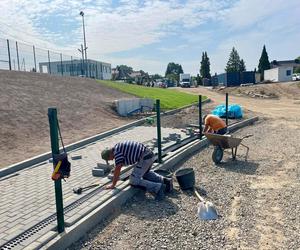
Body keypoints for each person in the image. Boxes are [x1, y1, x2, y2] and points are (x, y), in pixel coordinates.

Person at [101, 140, 172, 200]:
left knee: (133, 180)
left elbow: (118, 169)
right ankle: (166, 181)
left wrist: (113, 184)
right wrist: (117, 167)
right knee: (145, 173)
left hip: (144, 158)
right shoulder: (117, 147)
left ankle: (158, 188)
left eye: (109, 159)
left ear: (110, 154)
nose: (111, 160)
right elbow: (124, 160)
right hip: (149, 155)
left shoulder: (117, 153)